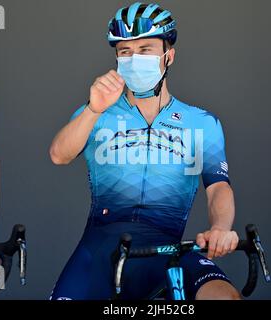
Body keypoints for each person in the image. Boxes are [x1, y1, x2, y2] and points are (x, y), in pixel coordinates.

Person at [49, 2, 241, 300]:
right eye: (125, 51)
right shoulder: (97, 112)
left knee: (223, 297)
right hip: (99, 249)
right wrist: (93, 109)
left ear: (169, 56)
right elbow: (58, 154)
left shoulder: (202, 123)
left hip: (166, 250)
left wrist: (220, 227)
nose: (134, 58)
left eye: (146, 49)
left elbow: (218, 188)